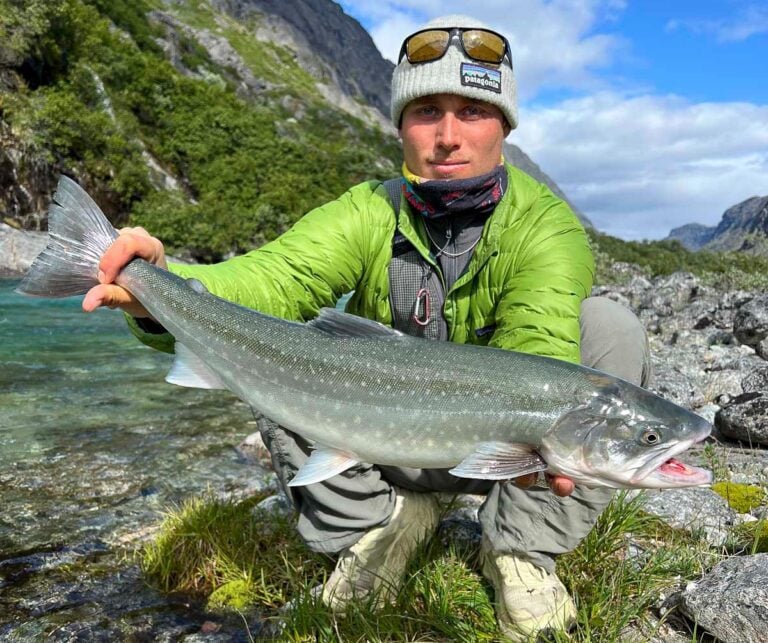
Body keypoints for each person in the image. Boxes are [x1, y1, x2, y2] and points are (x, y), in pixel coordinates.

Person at [83, 14, 651, 641]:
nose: (448, 136)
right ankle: (380, 526)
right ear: (401, 126)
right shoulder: (365, 210)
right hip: (380, 441)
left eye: (473, 112)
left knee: (610, 328)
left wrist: (549, 439)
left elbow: (537, 348)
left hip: (507, 456)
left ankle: (519, 547)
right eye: (426, 111)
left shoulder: (547, 225)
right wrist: (159, 282)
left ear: (506, 126)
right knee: (285, 349)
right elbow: (269, 280)